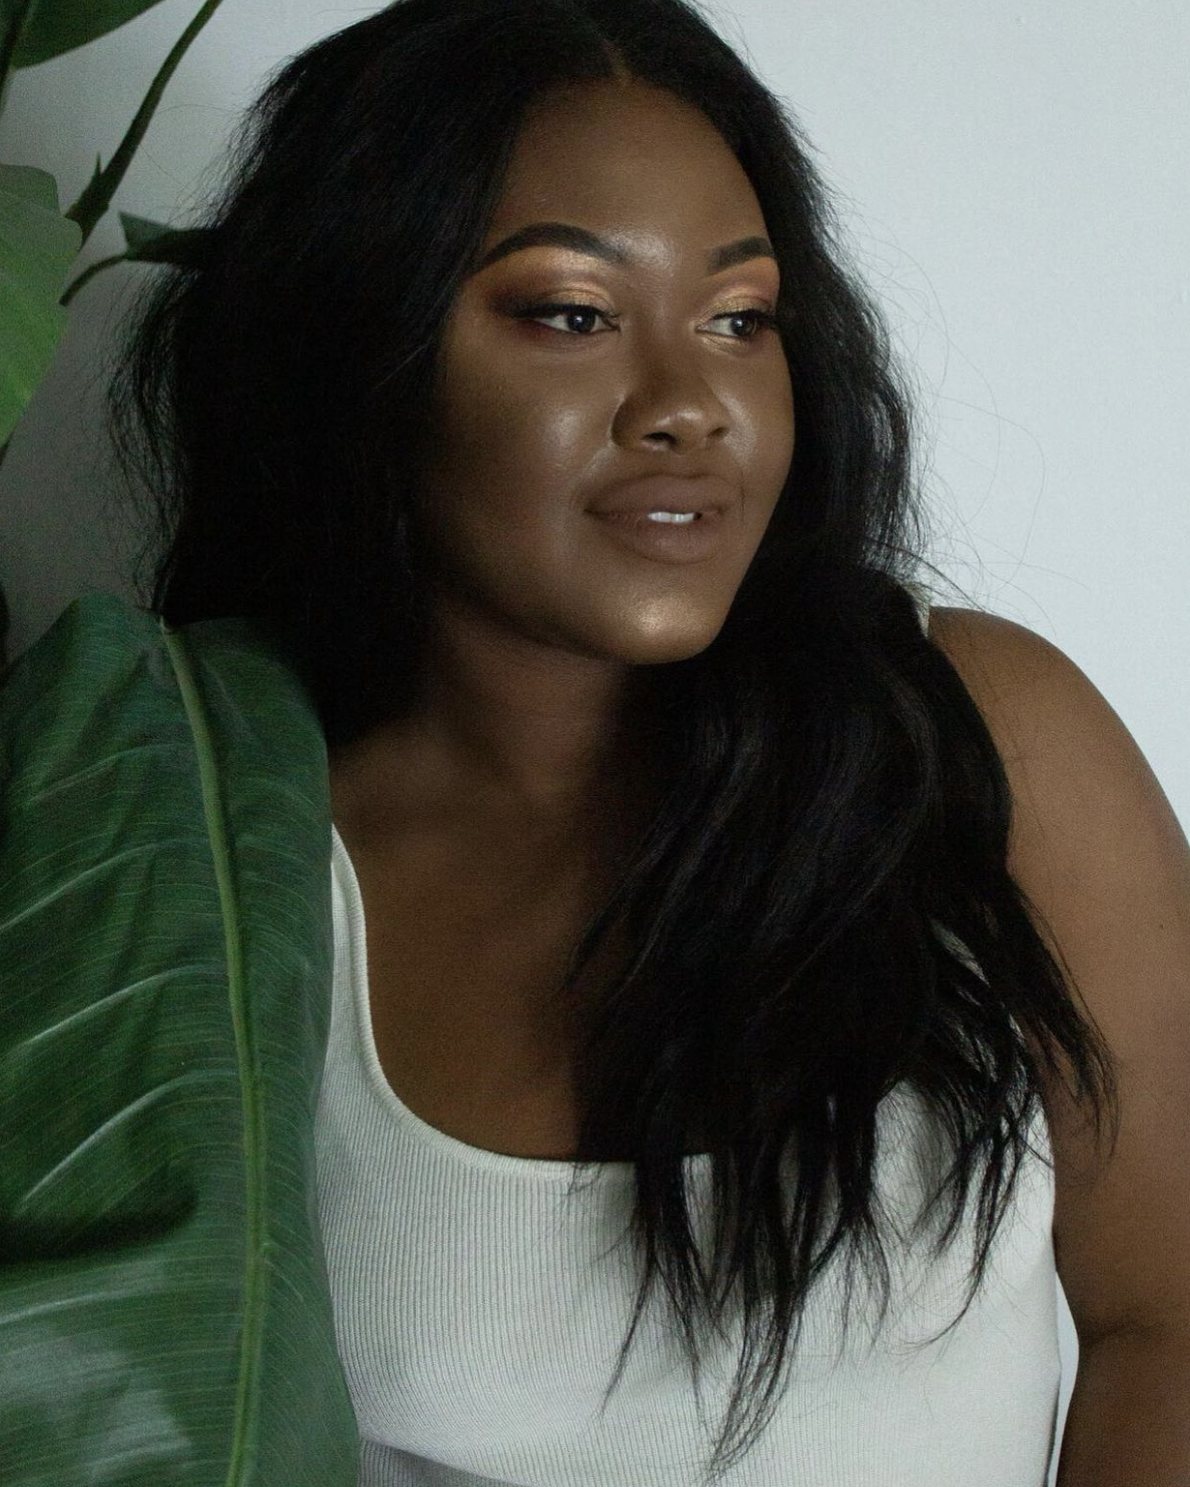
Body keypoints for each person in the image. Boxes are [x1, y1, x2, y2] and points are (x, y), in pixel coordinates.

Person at [4, 1, 1189, 1484]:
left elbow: (1169, 1316)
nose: (690, 405)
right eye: (569, 313)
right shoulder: (190, 852)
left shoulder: (984, 739)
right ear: (359, 349)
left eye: (740, 319)